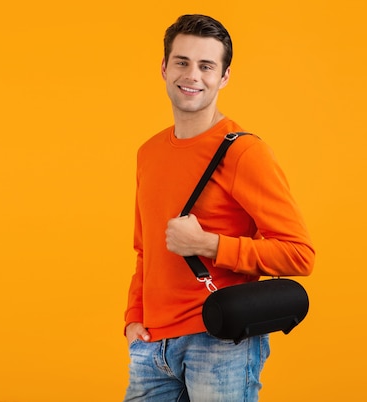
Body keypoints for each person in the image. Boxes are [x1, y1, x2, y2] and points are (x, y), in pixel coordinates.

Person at [123, 14, 315, 401]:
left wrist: (208, 244)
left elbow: (300, 256)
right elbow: (146, 251)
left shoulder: (245, 152)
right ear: (164, 67)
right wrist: (133, 318)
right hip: (151, 346)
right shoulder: (149, 153)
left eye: (206, 66)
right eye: (182, 62)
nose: (192, 75)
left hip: (220, 341)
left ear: (223, 77)